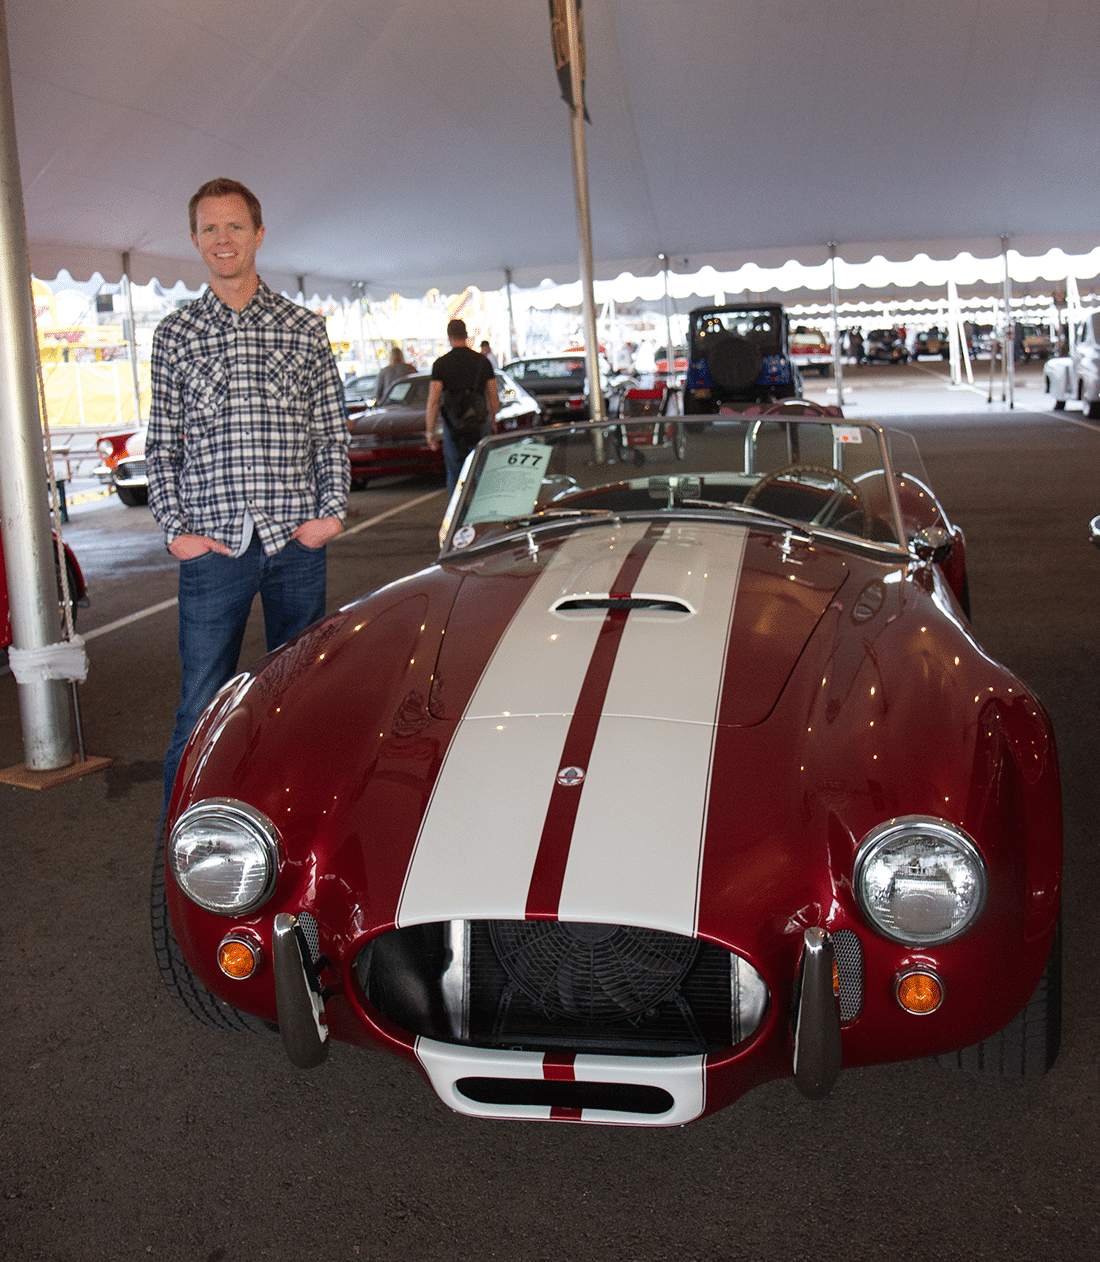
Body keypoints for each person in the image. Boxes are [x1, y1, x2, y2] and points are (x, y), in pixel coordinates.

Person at [146, 177, 349, 816]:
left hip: (296, 541)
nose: (223, 240)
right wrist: (175, 529)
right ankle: (182, 839)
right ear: (194, 240)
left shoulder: (303, 328)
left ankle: (296, 818)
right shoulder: (175, 334)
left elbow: (331, 432)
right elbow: (160, 445)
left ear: (259, 235)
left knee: (302, 695)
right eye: (210, 229)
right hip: (212, 549)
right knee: (202, 700)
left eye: (235, 226)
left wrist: (330, 516)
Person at [425, 319, 499, 494]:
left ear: (449, 336)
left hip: (453, 424)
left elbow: (434, 400)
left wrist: (430, 430)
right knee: (483, 471)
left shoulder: (441, 364)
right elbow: (493, 395)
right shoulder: (483, 361)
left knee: (455, 473)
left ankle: (458, 516)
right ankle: (484, 514)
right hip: (480, 422)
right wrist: (493, 419)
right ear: (466, 336)